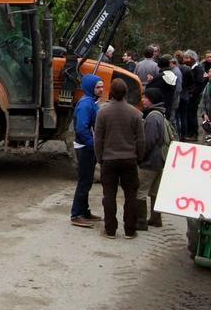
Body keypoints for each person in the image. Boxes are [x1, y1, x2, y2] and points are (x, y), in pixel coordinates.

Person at [95, 78, 144, 239]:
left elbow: (98, 139)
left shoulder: (103, 112)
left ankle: (110, 230)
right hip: (130, 159)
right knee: (131, 195)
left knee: (109, 195)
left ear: (110, 92)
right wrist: (139, 157)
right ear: (126, 93)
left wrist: (100, 158)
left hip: (109, 160)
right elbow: (140, 140)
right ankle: (130, 230)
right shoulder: (135, 113)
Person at [70, 74, 103, 228]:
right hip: (85, 148)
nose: (101, 89)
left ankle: (85, 210)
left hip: (88, 147)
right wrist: (93, 145)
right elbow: (81, 129)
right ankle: (76, 214)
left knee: (88, 181)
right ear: (90, 88)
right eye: (98, 87)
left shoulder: (92, 102)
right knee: (84, 181)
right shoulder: (86, 105)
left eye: (102, 86)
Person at [138, 88, 172, 228]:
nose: (143, 100)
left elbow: (149, 140)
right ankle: (155, 218)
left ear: (152, 99)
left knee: (140, 191)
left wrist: (140, 157)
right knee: (155, 191)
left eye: (145, 97)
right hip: (161, 160)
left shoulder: (152, 116)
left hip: (150, 161)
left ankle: (140, 221)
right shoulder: (161, 114)